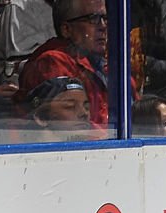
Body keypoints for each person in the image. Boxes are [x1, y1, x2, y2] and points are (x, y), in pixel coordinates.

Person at [17, 0, 114, 128]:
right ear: (66, 29)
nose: (103, 26)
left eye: (105, 18)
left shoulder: (103, 63)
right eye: (94, 19)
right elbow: (70, 128)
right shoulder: (52, 63)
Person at [12, 76, 106, 142]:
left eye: (87, 107)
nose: (84, 113)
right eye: (70, 106)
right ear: (42, 117)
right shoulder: (11, 147)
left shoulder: (103, 143)